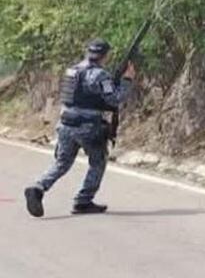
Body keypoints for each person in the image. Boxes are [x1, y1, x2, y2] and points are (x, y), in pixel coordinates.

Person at [24, 38, 136, 218]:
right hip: (88, 126)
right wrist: (127, 79)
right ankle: (83, 201)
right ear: (105, 55)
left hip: (66, 123)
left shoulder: (72, 70)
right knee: (98, 161)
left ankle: (38, 188)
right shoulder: (100, 75)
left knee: (62, 163)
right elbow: (115, 99)